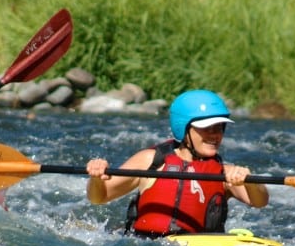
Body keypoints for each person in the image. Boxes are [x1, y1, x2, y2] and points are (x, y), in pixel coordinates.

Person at [86, 89, 268, 237]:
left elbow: (260, 201)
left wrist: (250, 180)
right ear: (184, 128)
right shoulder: (151, 160)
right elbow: (99, 197)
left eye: (219, 127)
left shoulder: (224, 173)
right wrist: (96, 179)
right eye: (206, 128)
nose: (215, 134)